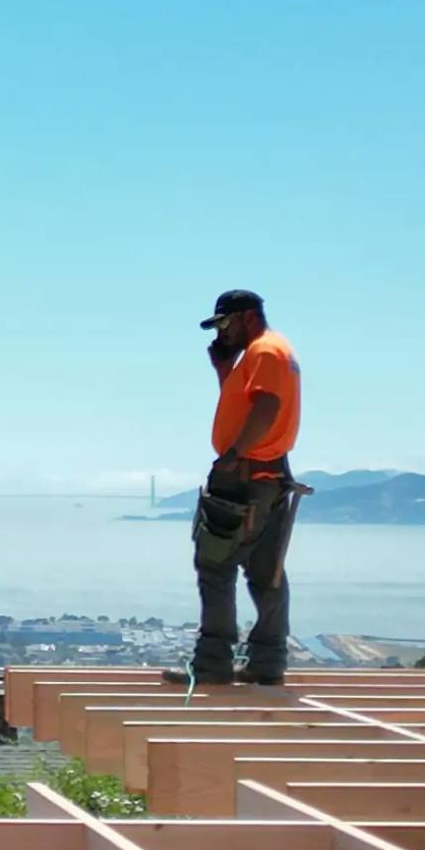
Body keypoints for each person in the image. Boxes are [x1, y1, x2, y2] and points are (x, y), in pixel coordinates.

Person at [187, 290, 304, 686]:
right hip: (269, 475)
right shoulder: (269, 352)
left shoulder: (264, 351)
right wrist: (224, 370)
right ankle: (268, 663)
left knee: (214, 564)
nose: (221, 332)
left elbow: (266, 407)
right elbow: (248, 403)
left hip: (245, 476)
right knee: (264, 570)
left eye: (224, 323)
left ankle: (212, 665)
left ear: (247, 317)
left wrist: (234, 455)